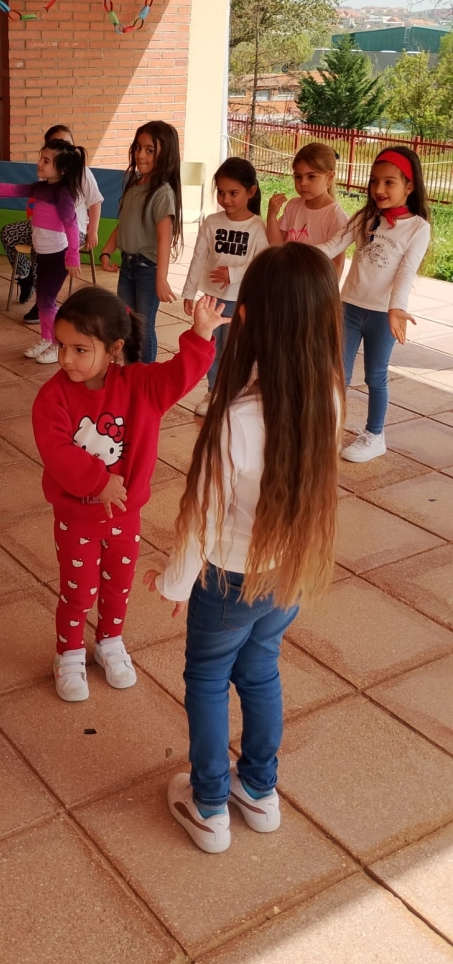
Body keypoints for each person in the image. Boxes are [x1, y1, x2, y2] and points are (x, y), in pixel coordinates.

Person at [144, 244, 344, 853]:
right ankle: (259, 792)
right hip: (287, 575)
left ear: (250, 318)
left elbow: (202, 519)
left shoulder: (238, 415)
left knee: (206, 678)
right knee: (259, 673)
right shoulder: (330, 397)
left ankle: (208, 805)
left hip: (228, 579)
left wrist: (175, 582)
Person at [32, 286, 227, 702]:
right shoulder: (53, 396)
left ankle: (109, 641)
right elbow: (57, 451)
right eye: (61, 346)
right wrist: (98, 481)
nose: (66, 359)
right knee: (78, 590)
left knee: (118, 585)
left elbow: (179, 375)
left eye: (80, 349)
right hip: (76, 518)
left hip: (125, 517)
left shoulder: (141, 386)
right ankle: (67, 653)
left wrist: (201, 335)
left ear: (114, 348)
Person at [316, 145, 431, 463]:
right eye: (374, 181)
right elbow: (333, 244)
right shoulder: (365, 217)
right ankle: (329, 431)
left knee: (375, 376)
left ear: (409, 186)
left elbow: (406, 272)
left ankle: (374, 435)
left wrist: (396, 308)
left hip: (383, 315)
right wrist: (299, 254)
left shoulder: (418, 228)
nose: (379, 189)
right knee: (337, 372)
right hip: (348, 307)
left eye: (389, 182)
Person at [182, 158, 268, 418]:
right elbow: (198, 257)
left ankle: (234, 392)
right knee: (211, 348)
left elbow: (261, 261)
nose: (226, 199)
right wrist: (188, 291)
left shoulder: (257, 226)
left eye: (233, 193)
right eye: (221, 192)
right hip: (211, 300)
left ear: (251, 192)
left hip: (239, 301)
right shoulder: (211, 222)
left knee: (235, 349)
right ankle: (214, 390)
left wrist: (233, 273)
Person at [0, 139, 85, 363]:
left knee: (47, 300)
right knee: (43, 300)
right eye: (41, 157)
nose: (39, 163)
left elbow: (72, 225)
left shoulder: (63, 194)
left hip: (57, 256)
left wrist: (72, 255)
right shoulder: (40, 187)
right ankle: (47, 338)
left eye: (46, 160)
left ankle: (59, 344)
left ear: (62, 169)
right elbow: (10, 190)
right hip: (42, 254)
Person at [0, 124, 103, 323]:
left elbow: (95, 201)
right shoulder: (47, 170)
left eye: (67, 143)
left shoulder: (82, 171)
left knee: (44, 247)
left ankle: (42, 303)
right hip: (44, 227)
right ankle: (25, 276)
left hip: (72, 229)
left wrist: (93, 231)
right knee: (9, 232)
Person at [100, 120, 183, 363]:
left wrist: (161, 279)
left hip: (148, 270)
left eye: (149, 150)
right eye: (138, 148)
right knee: (125, 324)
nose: (141, 155)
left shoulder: (162, 193)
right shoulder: (134, 185)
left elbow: (164, 239)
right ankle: (130, 374)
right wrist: (106, 251)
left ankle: (145, 379)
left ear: (165, 154)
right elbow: (123, 224)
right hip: (127, 267)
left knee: (144, 328)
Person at [266, 143, 349, 280]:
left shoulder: (336, 217)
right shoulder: (293, 206)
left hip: (312, 290)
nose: (303, 182)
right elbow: (277, 245)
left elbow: (337, 266)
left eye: (311, 176)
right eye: (298, 176)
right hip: (286, 280)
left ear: (329, 178)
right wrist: (271, 216)